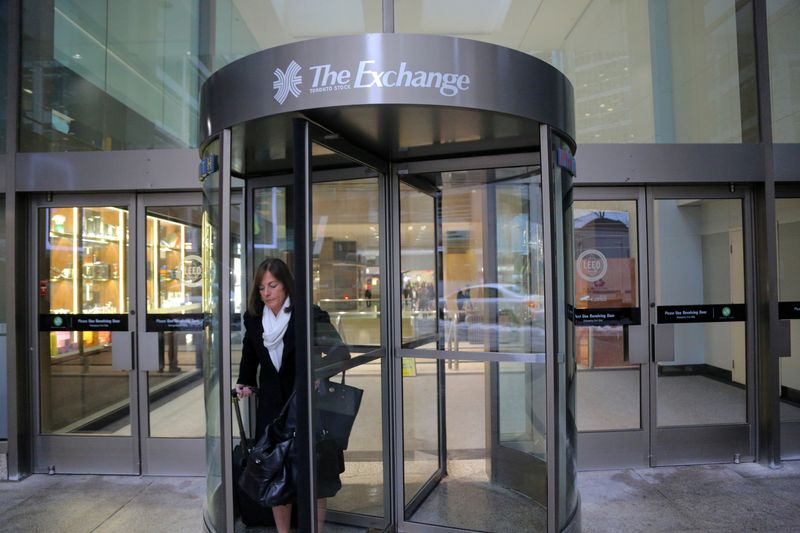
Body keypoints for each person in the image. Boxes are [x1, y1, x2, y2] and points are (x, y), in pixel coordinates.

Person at [234, 257, 349, 533]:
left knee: (315, 476)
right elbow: (250, 355)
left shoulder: (308, 315)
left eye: (272, 286)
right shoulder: (253, 318)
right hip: (272, 409)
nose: (266, 293)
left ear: (286, 286)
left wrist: (318, 374)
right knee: (275, 477)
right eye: (261, 288)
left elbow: (339, 352)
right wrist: (245, 381)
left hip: (306, 406)